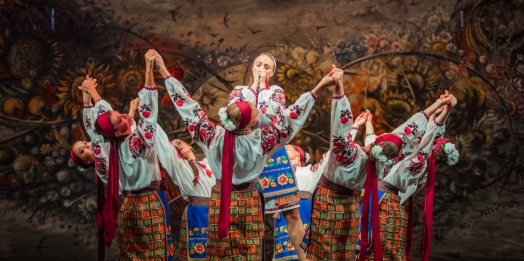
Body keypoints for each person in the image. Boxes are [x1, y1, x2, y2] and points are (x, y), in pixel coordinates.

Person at [163, 47, 341, 259]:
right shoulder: (238, 91)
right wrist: (253, 88)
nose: (262, 69)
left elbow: (274, 119)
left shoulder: (276, 92)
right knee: (234, 212)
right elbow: (237, 117)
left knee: (291, 213)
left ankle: (305, 258)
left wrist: (260, 93)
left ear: (272, 72)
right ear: (252, 67)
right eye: (258, 64)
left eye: (267, 66)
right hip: (245, 148)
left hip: (270, 151)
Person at [80, 50, 174, 260]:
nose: (124, 115)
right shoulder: (135, 143)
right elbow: (149, 115)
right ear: (118, 131)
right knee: (154, 255)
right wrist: (149, 70)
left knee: (132, 256)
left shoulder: (111, 150)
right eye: (120, 118)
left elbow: (96, 130)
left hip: (129, 206)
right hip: (149, 204)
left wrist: (90, 96)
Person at [357, 94, 455, 261]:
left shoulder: (411, 163)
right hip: (379, 201)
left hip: (382, 204)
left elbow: (418, 136)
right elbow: (416, 137)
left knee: (377, 250)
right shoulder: (389, 157)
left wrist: (441, 110)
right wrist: (368, 124)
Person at [164, 139, 216, 261]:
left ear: (189, 145)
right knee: (199, 251)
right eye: (174, 147)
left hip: (217, 210)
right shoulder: (181, 168)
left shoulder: (209, 163)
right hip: (197, 212)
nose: (177, 146)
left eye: (179, 143)